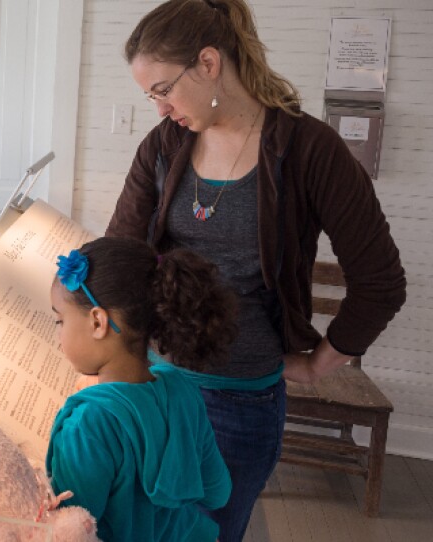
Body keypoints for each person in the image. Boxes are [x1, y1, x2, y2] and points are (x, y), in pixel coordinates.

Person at [107, 0, 407, 539]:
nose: (158, 108)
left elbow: (381, 281)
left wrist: (317, 365)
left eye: (163, 90)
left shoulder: (311, 151)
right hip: (151, 386)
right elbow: (120, 254)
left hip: (239, 406)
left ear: (207, 63)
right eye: (149, 95)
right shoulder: (165, 144)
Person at [46, 237, 236, 541]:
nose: (58, 332)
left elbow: (70, 531)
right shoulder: (182, 389)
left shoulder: (87, 424)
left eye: (59, 320)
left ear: (98, 322)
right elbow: (218, 493)